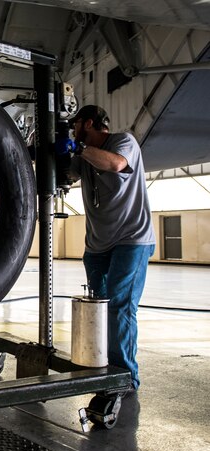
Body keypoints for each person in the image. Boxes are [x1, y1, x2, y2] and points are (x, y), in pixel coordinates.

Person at [65, 105, 155, 395]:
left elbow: (115, 164)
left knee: (120, 307)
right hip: (97, 245)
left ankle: (126, 377)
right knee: (99, 308)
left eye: (75, 125)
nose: (72, 131)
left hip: (131, 240)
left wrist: (76, 147)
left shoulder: (122, 141)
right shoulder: (83, 155)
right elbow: (66, 176)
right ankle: (102, 368)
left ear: (88, 124)